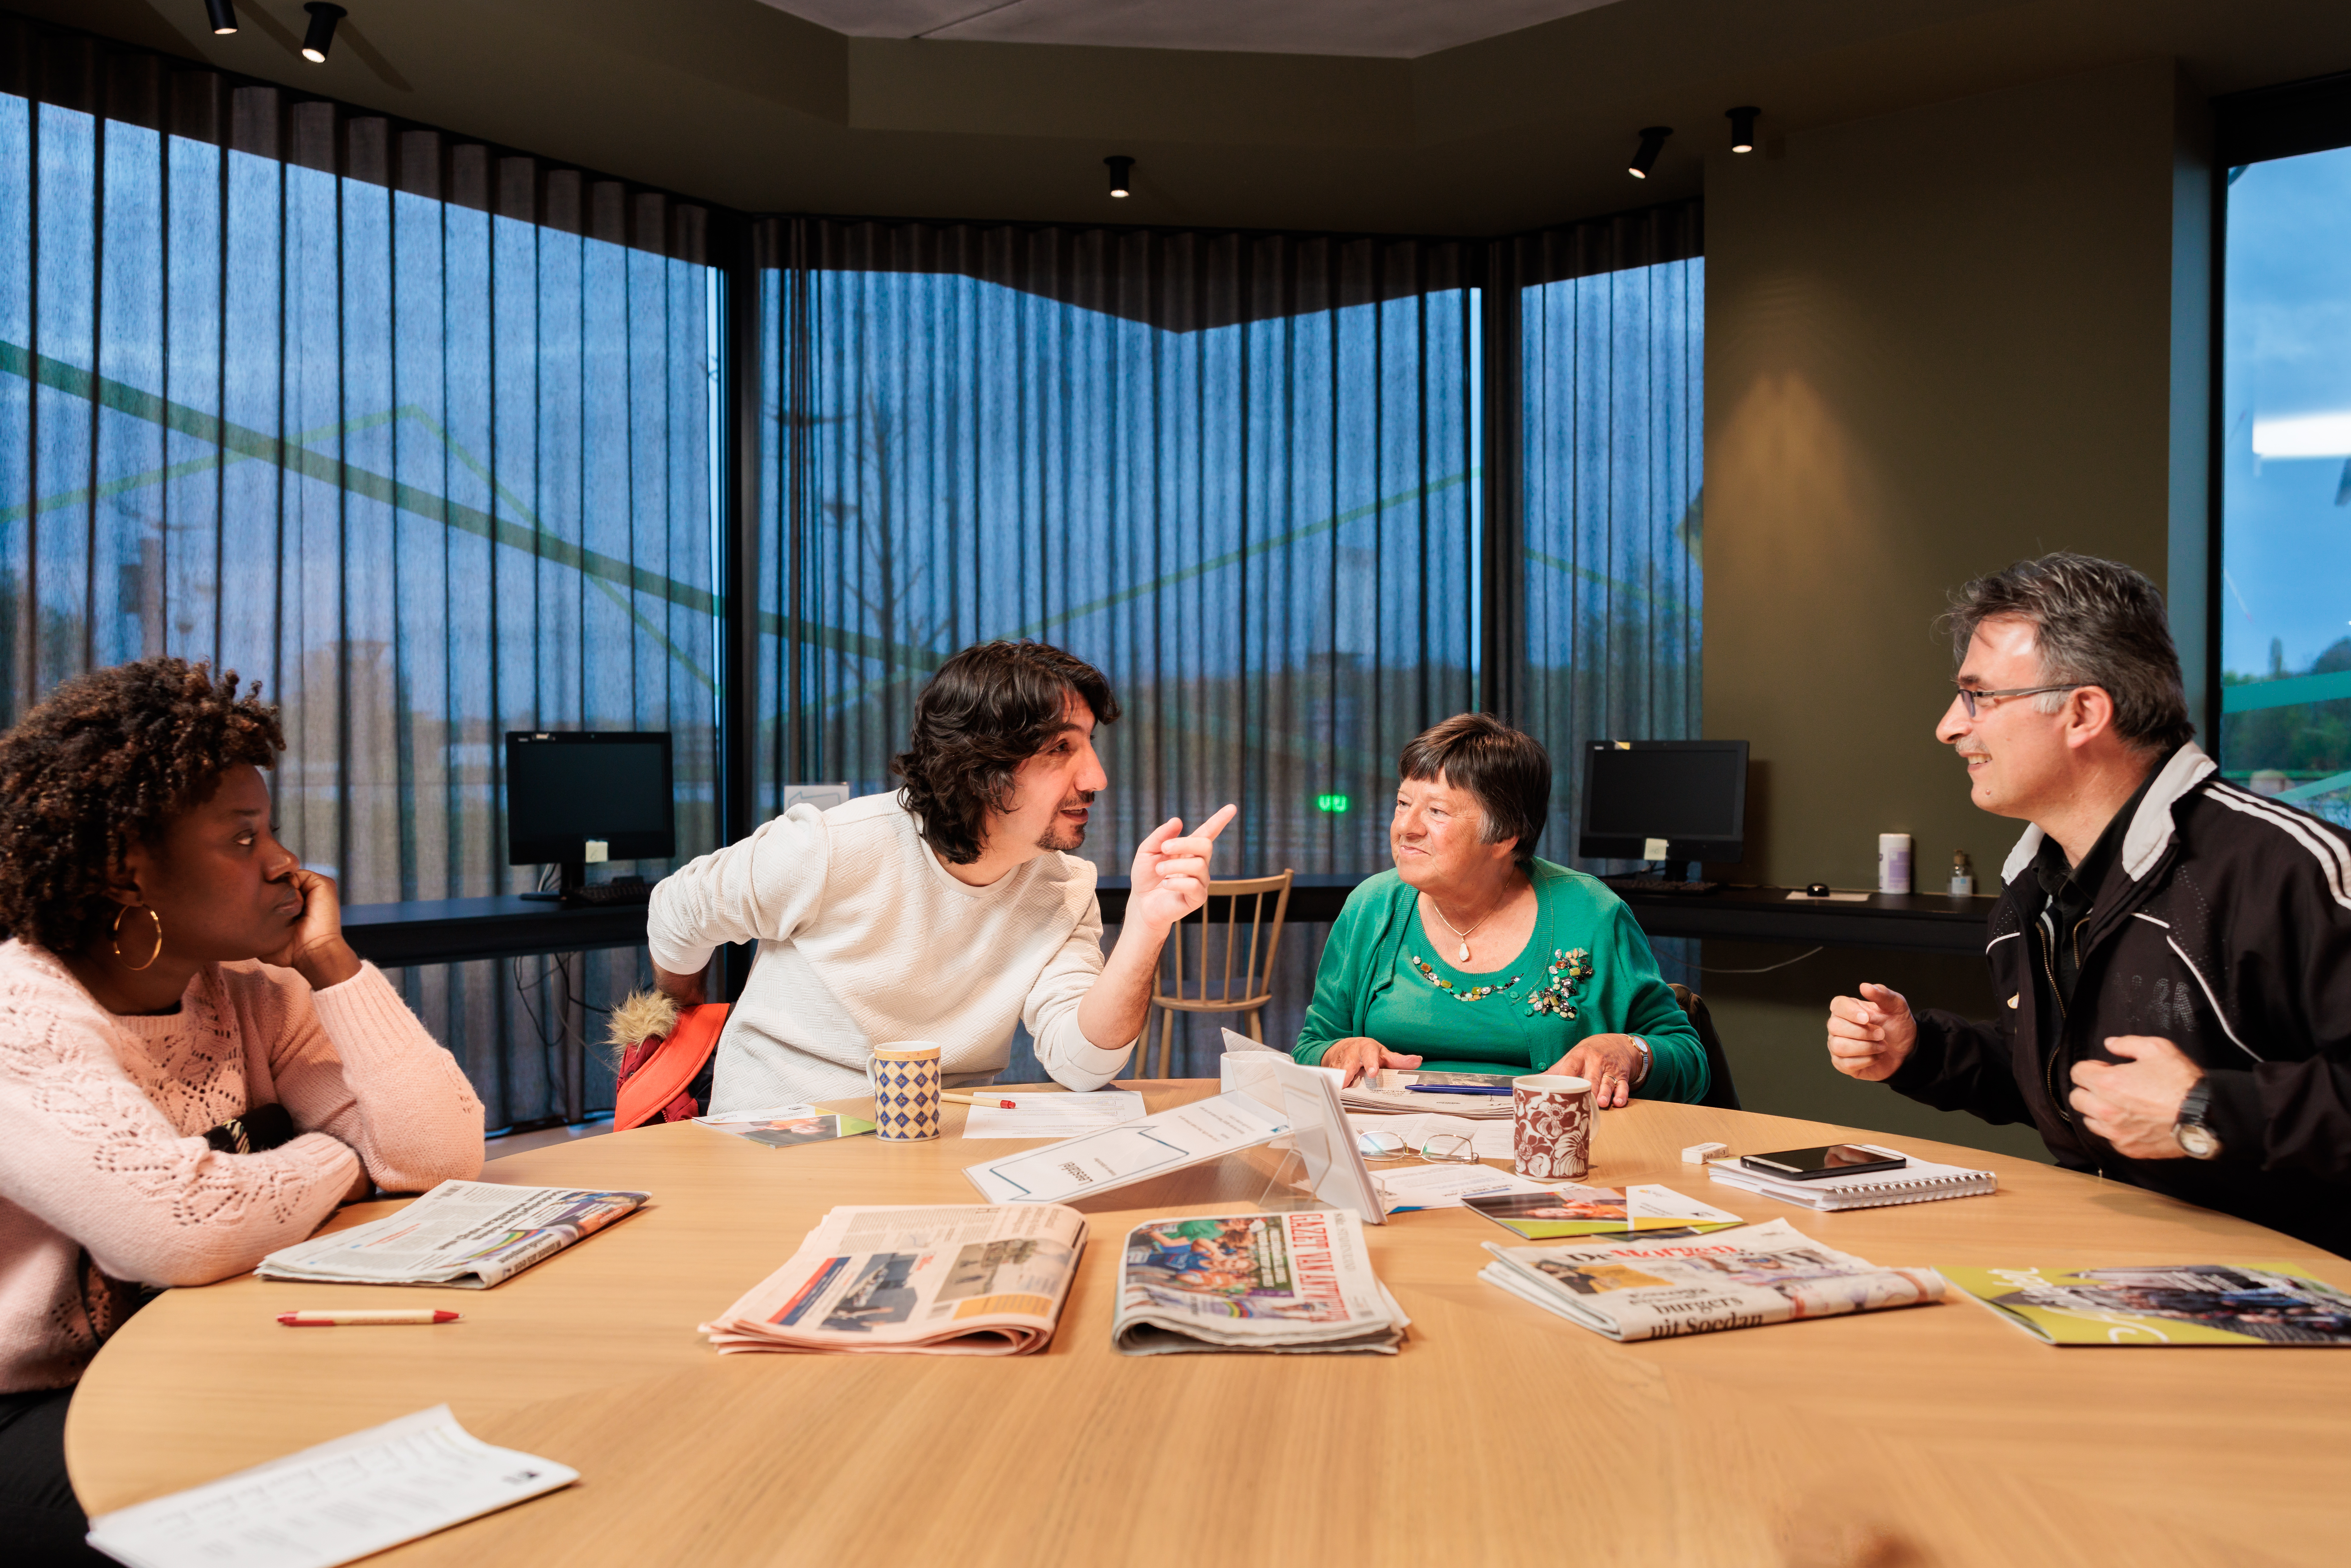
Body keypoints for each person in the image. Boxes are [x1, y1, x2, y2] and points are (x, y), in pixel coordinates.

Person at [0, 659, 485, 1565]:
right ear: (123, 867)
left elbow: (436, 1156)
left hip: (198, 1357)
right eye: (241, 839)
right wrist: (341, 1157)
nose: (284, 865)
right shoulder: (20, 1012)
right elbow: (178, 1230)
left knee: (441, 1429)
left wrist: (333, 966)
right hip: (34, 1403)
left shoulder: (256, 994)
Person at [1823, 553, 2351, 1256]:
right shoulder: (2035, 891)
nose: (1951, 727)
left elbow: (2188, 1106)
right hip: (2115, 1269)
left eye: (1979, 696)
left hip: (2293, 1301)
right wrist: (1922, 1051)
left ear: (2082, 712)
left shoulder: (2294, 870)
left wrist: (2209, 1112)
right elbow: (2077, 1085)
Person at [648, 640, 1235, 1108]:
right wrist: (682, 1034)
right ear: (979, 766)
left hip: (928, 1144)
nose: (1096, 778)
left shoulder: (1064, 889)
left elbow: (1083, 1065)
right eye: (1060, 748)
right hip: (777, 1133)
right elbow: (677, 911)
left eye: (1087, 746)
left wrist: (1144, 927)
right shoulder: (830, 846)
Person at [1293, 714, 1708, 1104]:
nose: (1406, 827)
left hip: (1546, 1151)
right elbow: (1312, 1046)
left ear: (1506, 833)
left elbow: (1688, 1059)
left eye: (1436, 812)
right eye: (1403, 804)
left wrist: (1631, 1052)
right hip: (1393, 1149)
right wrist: (1339, 1052)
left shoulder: (1590, 912)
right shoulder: (1371, 906)